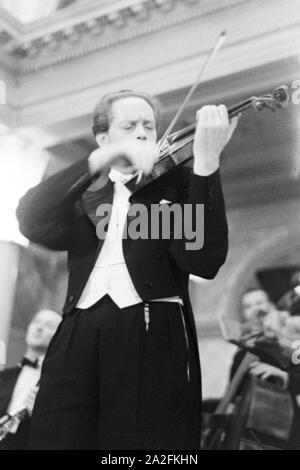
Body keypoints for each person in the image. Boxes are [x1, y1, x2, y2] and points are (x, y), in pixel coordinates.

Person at [17, 90, 238, 450]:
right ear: (103, 137)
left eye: (148, 126)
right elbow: (29, 218)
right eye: (129, 125)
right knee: (57, 435)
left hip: (150, 327)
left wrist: (207, 163)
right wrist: (98, 161)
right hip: (78, 328)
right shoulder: (84, 195)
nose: (141, 133)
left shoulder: (175, 187)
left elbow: (204, 261)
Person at [0, 309, 61, 450]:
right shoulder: (4, 376)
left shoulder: (57, 384)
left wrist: (40, 414)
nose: (39, 328)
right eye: (36, 321)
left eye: (49, 325)